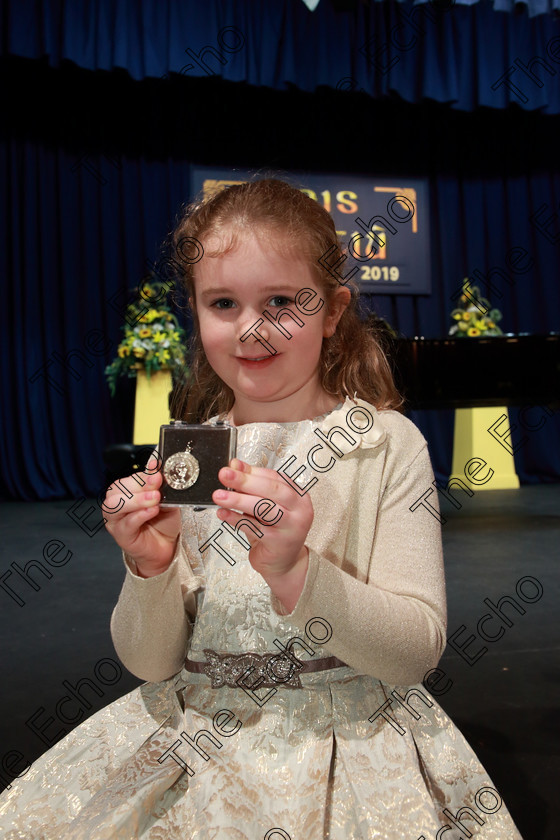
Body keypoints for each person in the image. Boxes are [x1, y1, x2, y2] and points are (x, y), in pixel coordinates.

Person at [0, 179, 523, 839]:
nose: (251, 327)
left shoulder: (384, 446)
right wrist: (149, 564)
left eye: (280, 301)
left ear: (332, 310)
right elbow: (150, 663)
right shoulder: (195, 450)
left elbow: (415, 653)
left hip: (346, 746)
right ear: (195, 309)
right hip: (193, 743)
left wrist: (297, 571)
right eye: (223, 302)